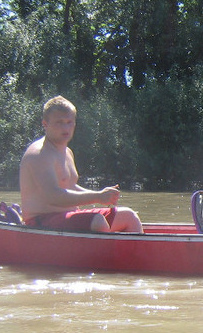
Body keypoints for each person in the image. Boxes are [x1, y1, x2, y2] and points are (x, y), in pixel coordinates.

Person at [19, 96, 143, 233]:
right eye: (59, 122)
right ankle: (106, 253)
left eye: (69, 122)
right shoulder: (39, 153)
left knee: (129, 216)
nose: (65, 127)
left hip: (68, 219)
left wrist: (101, 194)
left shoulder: (67, 152)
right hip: (40, 222)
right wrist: (97, 197)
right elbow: (52, 196)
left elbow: (70, 187)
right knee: (98, 221)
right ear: (45, 124)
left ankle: (135, 254)